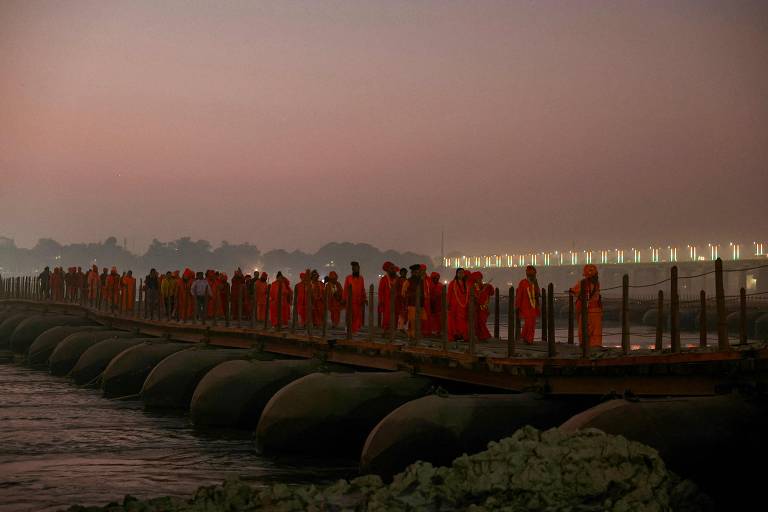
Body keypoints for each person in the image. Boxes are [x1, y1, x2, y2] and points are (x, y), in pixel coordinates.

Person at [570, 264, 603, 347]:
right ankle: (596, 346)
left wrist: (571, 291)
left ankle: (584, 346)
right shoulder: (597, 284)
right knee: (596, 331)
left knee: (583, 329)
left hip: (587, 311)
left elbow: (574, 291)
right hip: (597, 311)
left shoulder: (583, 283)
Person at [515, 266, 540, 344]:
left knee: (532, 324)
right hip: (525, 306)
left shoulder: (535, 283)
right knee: (528, 323)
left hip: (533, 307)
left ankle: (528, 339)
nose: (532, 275)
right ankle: (527, 339)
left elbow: (538, 293)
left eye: (533, 273)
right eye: (530, 273)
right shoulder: (523, 282)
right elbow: (519, 295)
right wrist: (517, 306)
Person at [401, 264, 427, 339]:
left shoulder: (422, 281)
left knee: (419, 320)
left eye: (418, 272)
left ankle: (417, 334)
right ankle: (412, 335)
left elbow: (424, 292)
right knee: (412, 321)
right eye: (415, 272)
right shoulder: (408, 281)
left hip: (420, 304)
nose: (417, 274)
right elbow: (403, 293)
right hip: (412, 304)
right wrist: (413, 294)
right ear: (412, 273)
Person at [342, 261, 367, 334]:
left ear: (359, 269)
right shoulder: (348, 278)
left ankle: (355, 331)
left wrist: (364, 298)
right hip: (350, 301)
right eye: (354, 268)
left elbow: (363, 289)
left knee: (357, 317)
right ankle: (349, 330)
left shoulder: (361, 278)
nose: (355, 269)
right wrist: (344, 299)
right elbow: (345, 289)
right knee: (350, 316)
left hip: (358, 301)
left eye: (357, 268)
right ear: (352, 269)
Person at [471, 272, 495, 341]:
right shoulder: (473, 287)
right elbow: (475, 297)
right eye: (478, 279)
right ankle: (481, 336)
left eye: (480, 278)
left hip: (483, 308)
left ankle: (484, 336)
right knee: (477, 323)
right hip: (476, 308)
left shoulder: (486, 286)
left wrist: (488, 287)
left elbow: (492, 293)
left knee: (482, 322)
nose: (479, 280)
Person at [447, 268, 468, 341]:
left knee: (461, 321)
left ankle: (462, 335)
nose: (461, 274)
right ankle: (455, 335)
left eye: (462, 273)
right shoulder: (452, 283)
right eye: (459, 273)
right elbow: (449, 295)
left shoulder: (466, 284)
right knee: (452, 321)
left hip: (463, 306)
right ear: (456, 274)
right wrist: (448, 304)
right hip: (453, 305)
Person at [378, 262, 399, 330]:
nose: (393, 270)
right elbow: (380, 292)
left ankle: (394, 332)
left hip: (396, 302)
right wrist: (381, 302)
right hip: (387, 303)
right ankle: (386, 332)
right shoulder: (384, 280)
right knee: (387, 318)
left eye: (394, 269)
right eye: (391, 269)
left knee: (395, 317)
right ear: (387, 270)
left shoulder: (397, 279)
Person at [428, 272, 444, 337]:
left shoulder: (441, 285)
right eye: (435, 278)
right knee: (431, 319)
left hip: (439, 305)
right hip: (430, 304)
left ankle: (438, 331)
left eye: (437, 278)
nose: (436, 279)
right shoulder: (429, 284)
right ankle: (432, 331)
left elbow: (443, 295)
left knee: (438, 319)